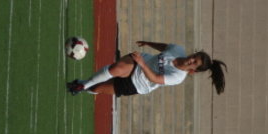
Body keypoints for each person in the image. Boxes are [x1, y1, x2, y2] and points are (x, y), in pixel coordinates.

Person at [67, 41, 227, 97]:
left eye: (194, 62)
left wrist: (142, 64)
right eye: (195, 56)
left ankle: (85, 85)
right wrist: (148, 43)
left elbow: (155, 79)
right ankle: (83, 85)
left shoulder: (178, 77)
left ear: (194, 70)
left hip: (139, 84)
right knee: (117, 68)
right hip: (138, 63)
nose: (191, 59)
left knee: (98, 88)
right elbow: (165, 47)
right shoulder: (178, 50)